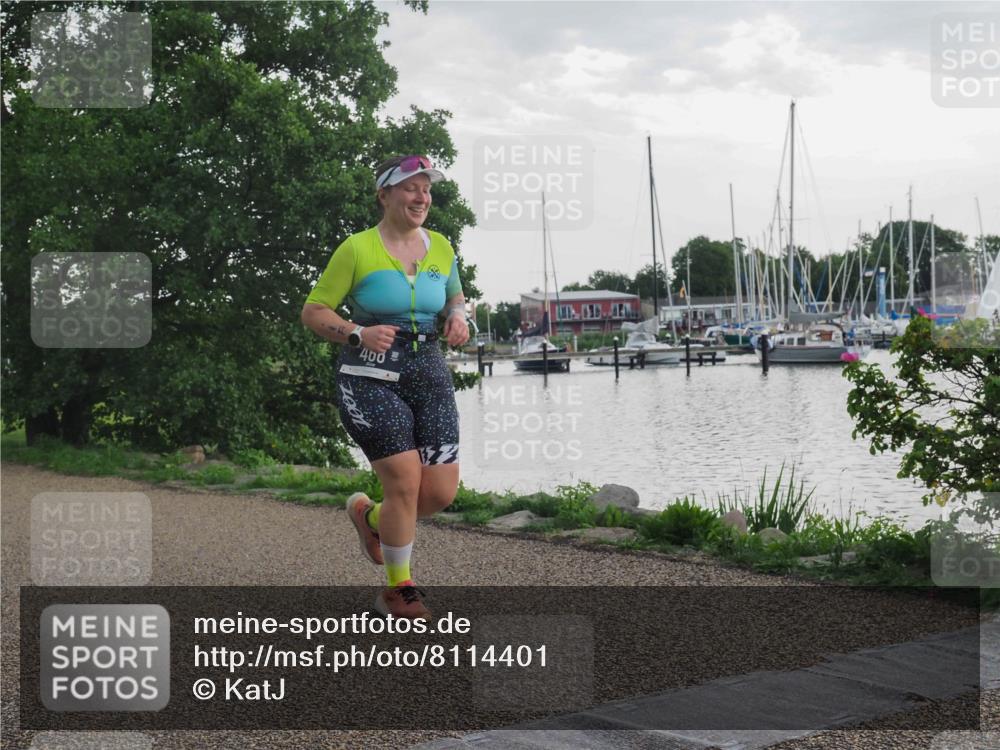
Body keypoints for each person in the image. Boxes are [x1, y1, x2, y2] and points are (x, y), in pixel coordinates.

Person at [300, 155, 470, 620]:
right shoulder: (356, 249)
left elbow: (456, 296)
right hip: (369, 377)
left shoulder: (441, 248)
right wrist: (357, 332)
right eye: (411, 188)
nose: (421, 198)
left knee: (437, 495)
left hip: (429, 373)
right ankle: (400, 588)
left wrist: (458, 315)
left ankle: (369, 518)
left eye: (426, 190)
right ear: (385, 194)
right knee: (403, 482)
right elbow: (314, 312)